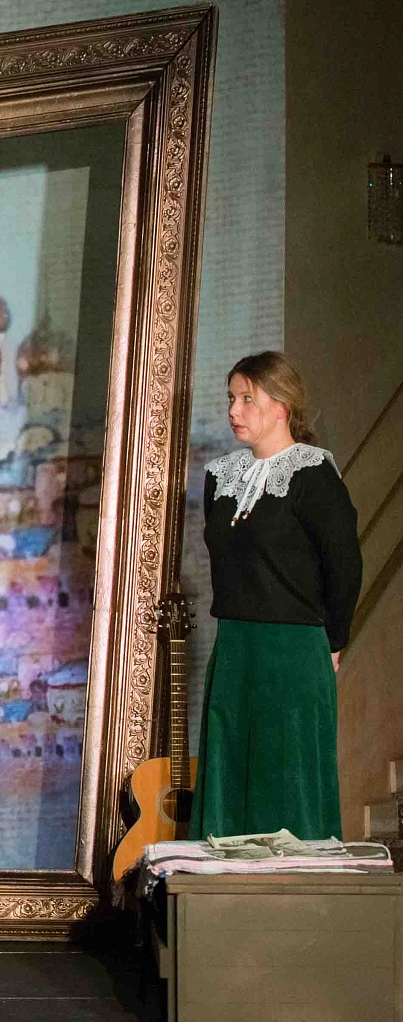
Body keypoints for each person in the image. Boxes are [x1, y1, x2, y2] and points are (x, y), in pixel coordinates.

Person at [191, 351, 360, 841]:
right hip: (235, 648)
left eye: (247, 398)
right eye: (231, 398)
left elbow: (344, 566)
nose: (233, 410)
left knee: (290, 781)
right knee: (230, 776)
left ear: (282, 405)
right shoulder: (219, 477)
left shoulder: (314, 474)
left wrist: (334, 641)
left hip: (295, 650)